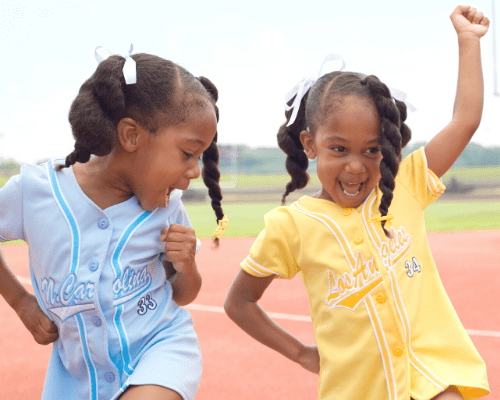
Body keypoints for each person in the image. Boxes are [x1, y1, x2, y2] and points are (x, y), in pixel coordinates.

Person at [225, 5, 489, 400]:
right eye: (338, 149)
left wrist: (468, 42)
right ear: (311, 145)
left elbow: (464, 120)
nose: (355, 166)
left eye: (371, 150)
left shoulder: (405, 184)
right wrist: (299, 353)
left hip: (432, 376)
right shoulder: (291, 226)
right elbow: (239, 302)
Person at [0, 47, 228, 400]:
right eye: (187, 153)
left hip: (161, 351)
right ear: (132, 136)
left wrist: (187, 267)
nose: (196, 171)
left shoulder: (167, 208)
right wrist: (19, 301)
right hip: (76, 378)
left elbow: (183, 294)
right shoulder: (34, 193)